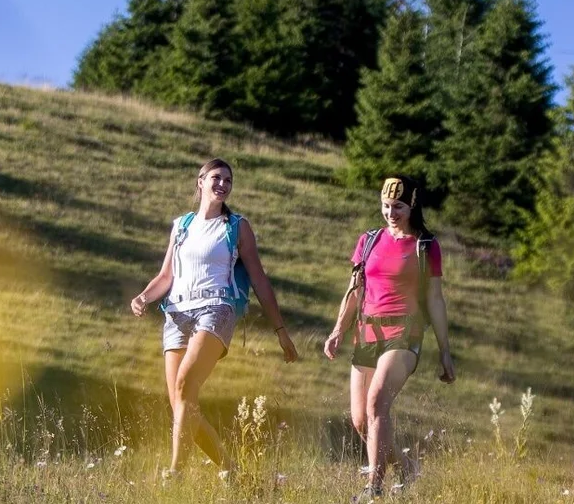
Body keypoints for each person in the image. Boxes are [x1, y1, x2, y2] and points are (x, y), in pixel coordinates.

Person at [130, 158, 300, 477]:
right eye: (216, 178)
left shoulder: (236, 227)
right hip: (176, 313)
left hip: (216, 309)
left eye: (228, 180)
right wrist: (143, 296)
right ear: (201, 182)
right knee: (182, 404)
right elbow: (165, 276)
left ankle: (174, 472)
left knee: (184, 385)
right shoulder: (181, 226)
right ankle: (233, 472)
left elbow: (259, 278)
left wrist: (280, 329)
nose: (222, 184)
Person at [323, 176, 455, 497]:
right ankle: (407, 468)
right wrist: (338, 329)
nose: (390, 212)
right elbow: (354, 290)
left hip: (404, 333)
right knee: (360, 421)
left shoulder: (425, 245)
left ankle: (374, 488)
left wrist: (445, 351)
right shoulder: (368, 240)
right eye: (385, 206)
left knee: (377, 402)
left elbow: (435, 300)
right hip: (367, 332)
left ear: (412, 205)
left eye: (398, 206)